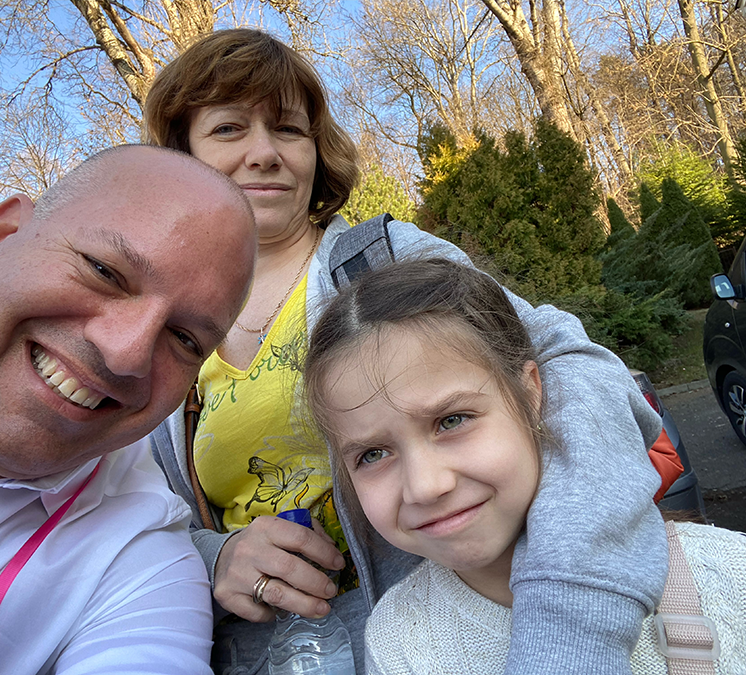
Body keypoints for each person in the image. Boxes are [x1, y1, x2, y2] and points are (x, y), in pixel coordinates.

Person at [145, 28, 668, 675]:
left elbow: (576, 369)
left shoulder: (381, 262)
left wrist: (567, 626)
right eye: (228, 129)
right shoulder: (162, 322)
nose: (264, 153)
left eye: (287, 128)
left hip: (449, 643)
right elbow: (144, 517)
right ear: (181, 154)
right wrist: (215, 556)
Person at [303, 257, 746, 675]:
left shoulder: (733, 577)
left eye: (452, 420)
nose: (426, 485)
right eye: (372, 454)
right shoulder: (400, 644)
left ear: (530, 392)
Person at [0, 145, 257, 674]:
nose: (127, 352)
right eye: (105, 271)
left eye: (184, 339)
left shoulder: (140, 558)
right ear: (2, 234)